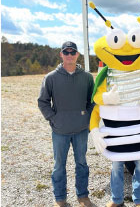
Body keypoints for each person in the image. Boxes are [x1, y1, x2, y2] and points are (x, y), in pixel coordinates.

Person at [38, 41, 94, 207]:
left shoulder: (87, 77)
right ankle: (60, 198)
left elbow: (92, 101)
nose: (69, 55)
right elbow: (43, 102)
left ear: (77, 55)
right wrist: (53, 118)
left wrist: (87, 118)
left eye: (73, 52)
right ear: (61, 54)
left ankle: (83, 196)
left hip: (81, 130)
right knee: (59, 166)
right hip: (60, 131)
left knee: (82, 164)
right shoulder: (51, 78)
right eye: (66, 52)